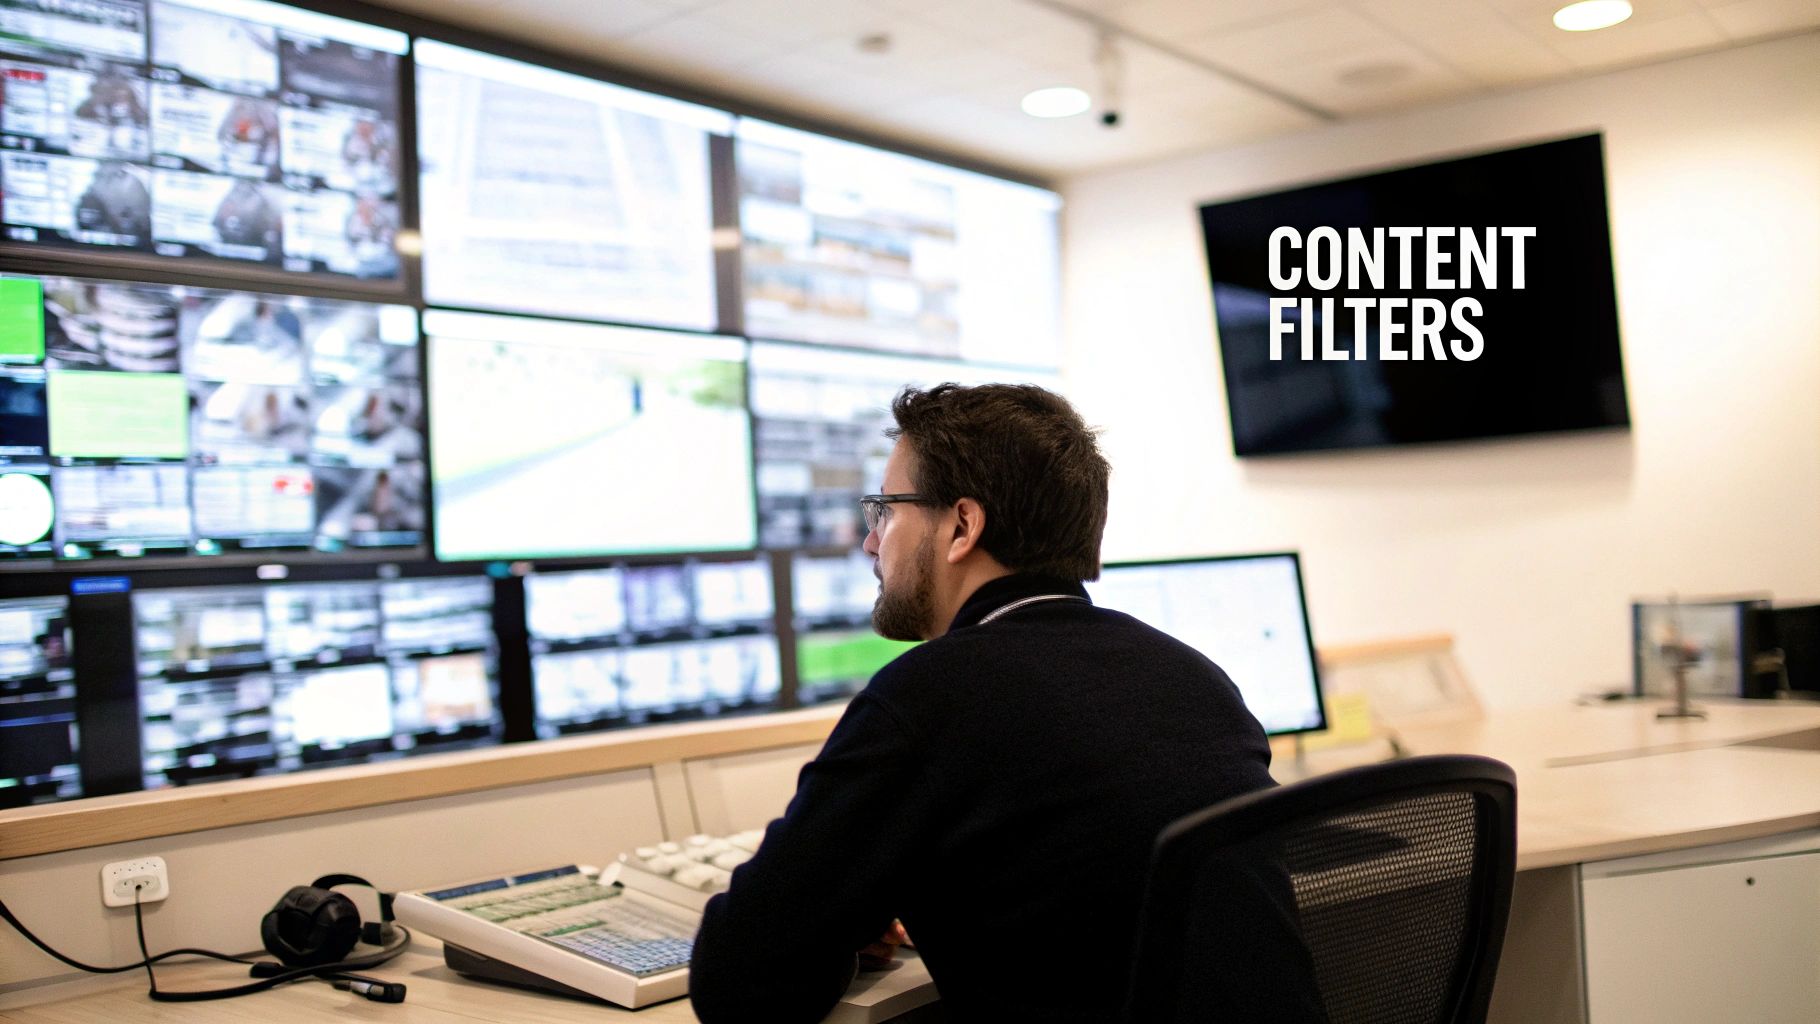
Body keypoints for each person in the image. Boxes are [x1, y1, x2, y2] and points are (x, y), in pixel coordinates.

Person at [690, 383, 1324, 1022]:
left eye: (885, 510)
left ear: (962, 526)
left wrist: (843, 928)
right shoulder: (1194, 676)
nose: (871, 542)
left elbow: (738, 982)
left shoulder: (929, 697)